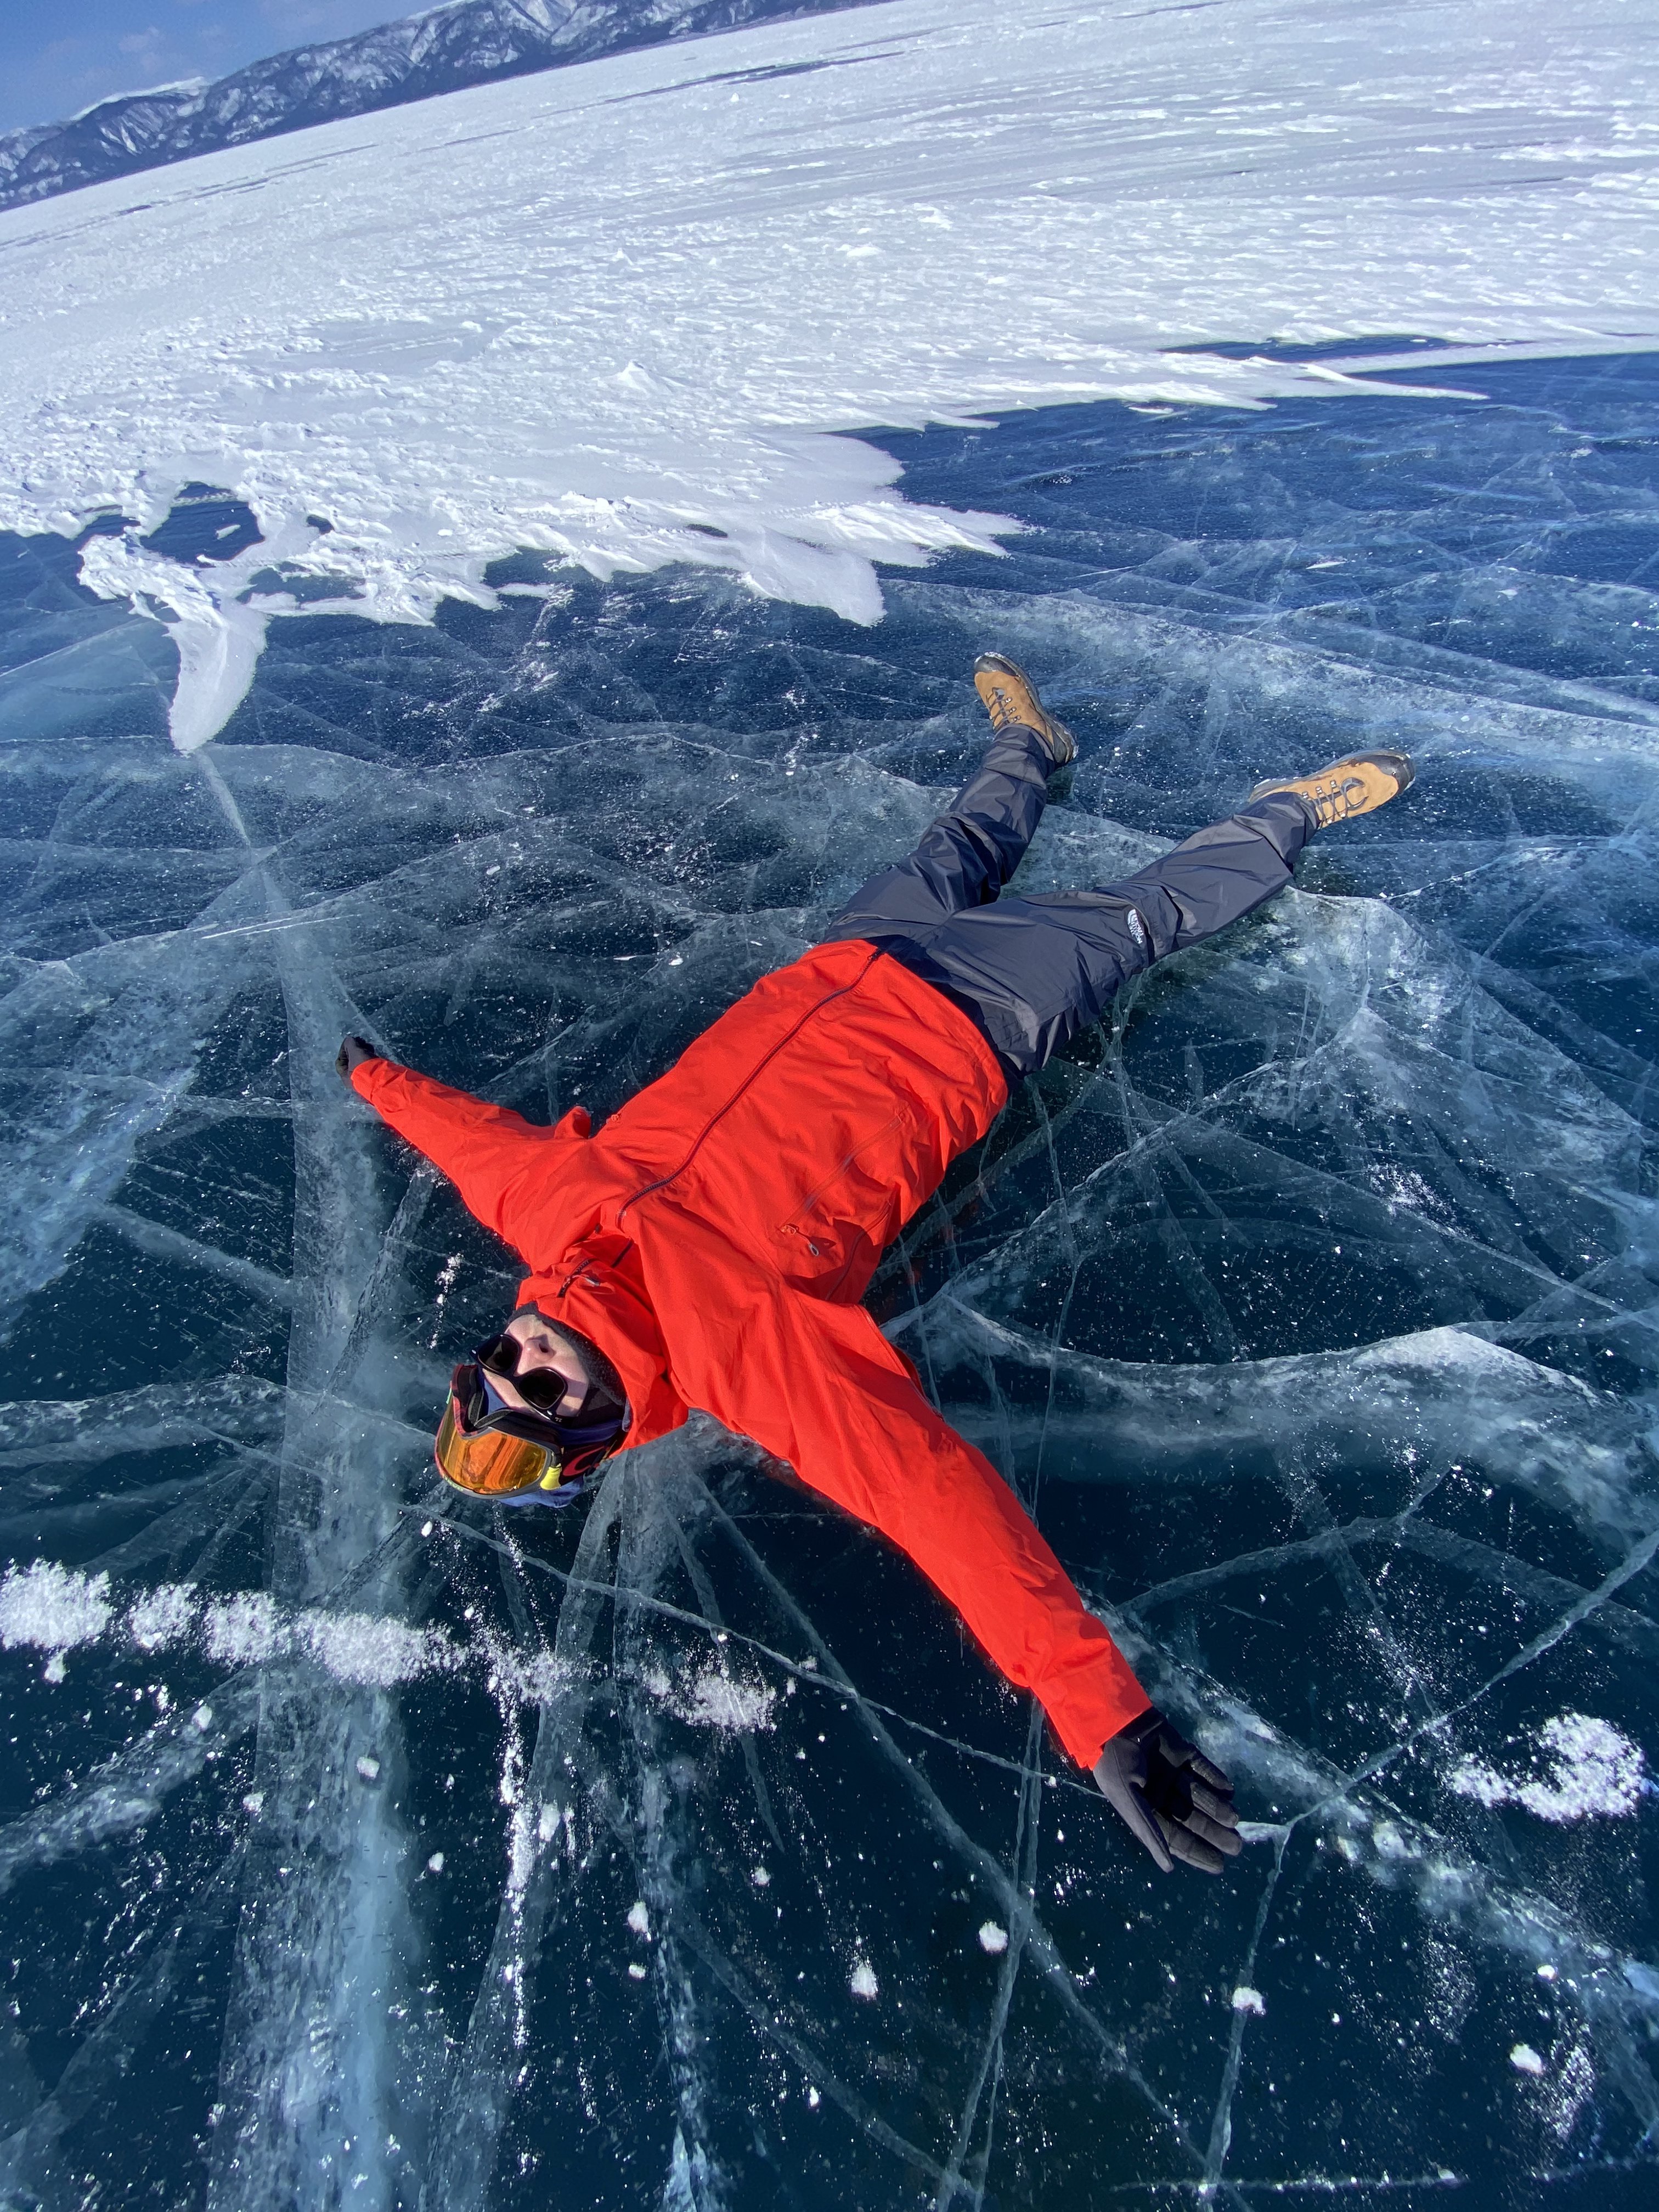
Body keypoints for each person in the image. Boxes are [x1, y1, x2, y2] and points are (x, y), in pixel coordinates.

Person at [337, 656, 1413, 1875]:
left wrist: (373, 1082)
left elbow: (476, 1146)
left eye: (496, 1363)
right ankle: (1288, 816)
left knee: (958, 847)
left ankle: (1033, 751)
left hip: (840, 968)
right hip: (964, 1028)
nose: (524, 1359)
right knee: (1144, 917)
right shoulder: (749, 1357)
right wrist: (1100, 1709)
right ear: (591, 1429)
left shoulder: (554, 1223)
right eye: (539, 1395)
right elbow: (940, 1506)